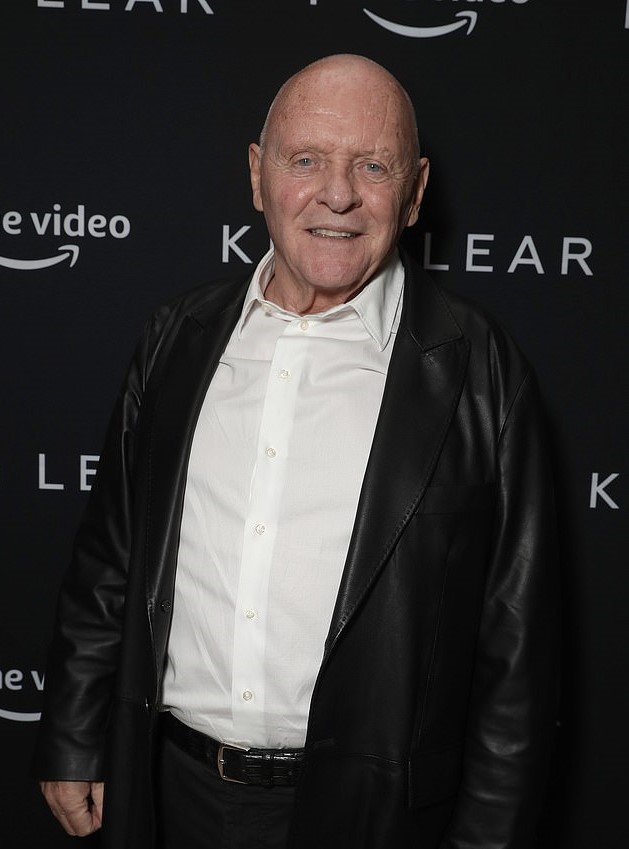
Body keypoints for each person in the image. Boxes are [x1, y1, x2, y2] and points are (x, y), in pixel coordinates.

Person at [34, 54, 558, 849]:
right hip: (168, 792)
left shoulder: (481, 371)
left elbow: (515, 651)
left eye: (371, 166)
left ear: (415, 191)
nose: (336, 195)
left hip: (373, 815)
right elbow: (111, 555)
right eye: (305, 160)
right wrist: (75, 732)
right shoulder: (176, 338)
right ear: (257, 174)